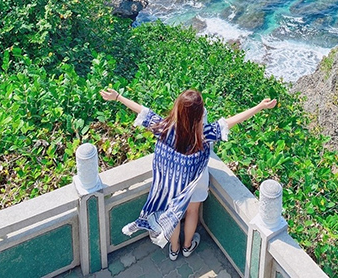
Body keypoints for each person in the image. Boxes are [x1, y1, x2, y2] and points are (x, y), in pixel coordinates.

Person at [100, 88, 277, 260]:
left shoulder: (165, 127)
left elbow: (143, 112)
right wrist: (260, 106)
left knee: (173, 214)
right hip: (195, 181)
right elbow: (230, 121)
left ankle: (174, 249)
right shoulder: (203, 134)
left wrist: (118, 97)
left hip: (173, 183)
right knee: (192, 211)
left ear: (177, 108)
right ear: (200, 116)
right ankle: (187, 246)